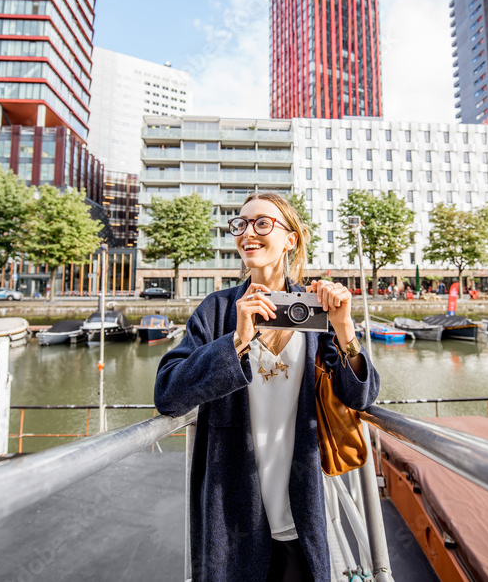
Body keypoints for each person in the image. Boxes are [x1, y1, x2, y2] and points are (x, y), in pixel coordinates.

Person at [154, 192, 380, 582]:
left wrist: (344, 329)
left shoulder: (312, 308)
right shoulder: (219, 310)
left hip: (300, 511)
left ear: (290, 239)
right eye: (240, 224)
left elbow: (361, 396)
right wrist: (235, 342)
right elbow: (168, 394)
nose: (248, 233)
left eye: (262, 223)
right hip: (232, 515)